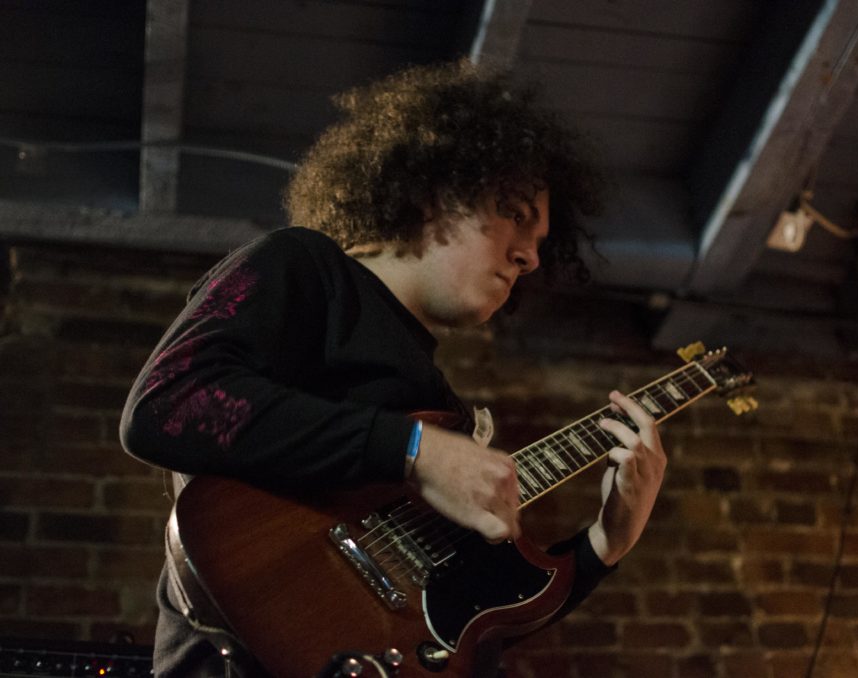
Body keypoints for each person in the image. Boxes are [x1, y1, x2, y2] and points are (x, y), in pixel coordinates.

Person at [120, 60, 666, 677]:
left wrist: (609, 541)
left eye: (540, 242)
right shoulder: (303, 266)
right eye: (514, 213)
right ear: (436, 190)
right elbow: (169, 403)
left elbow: (464, 631)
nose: (530, 257)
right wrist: (413, 450)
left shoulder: (442, 411)